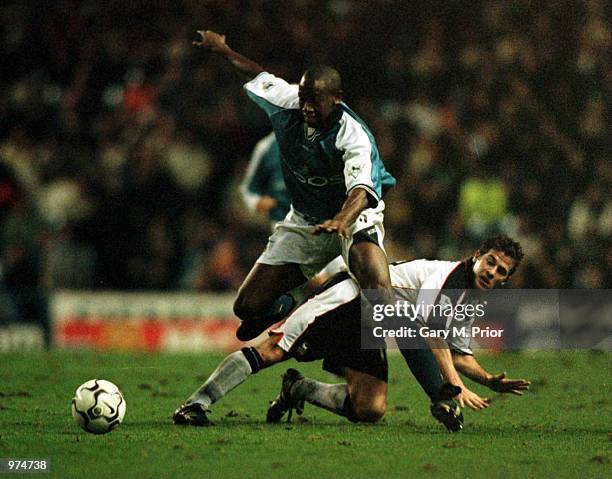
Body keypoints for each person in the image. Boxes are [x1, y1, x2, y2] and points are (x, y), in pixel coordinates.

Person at [173, 235, 530, 430]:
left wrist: (486, 380)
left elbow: (456, 352)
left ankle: (298, 388)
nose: (493, 272)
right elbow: (429, 333)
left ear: (505, 279)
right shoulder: (449, 279)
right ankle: (194, 405)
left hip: (374, 323)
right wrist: (451, 388)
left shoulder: (467, 298)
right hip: (352, 298)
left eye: (501, 271)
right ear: (477, 256)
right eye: (491, 262)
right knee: (274, 350)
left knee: (369, 408)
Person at [193, 31, 397, 342]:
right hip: (306, 220)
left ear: (337, 98)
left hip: (352, 219)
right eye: (303, 98)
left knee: (377, 287)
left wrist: (342, 221)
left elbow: (362, 192)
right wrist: (224, 50)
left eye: (315, 100)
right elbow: (258, 73)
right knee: (247, 307)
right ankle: (294, 305)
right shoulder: (288, 101)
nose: (307, 107)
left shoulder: (353, 135)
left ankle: (432, 377)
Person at [240, 132, 291, 228]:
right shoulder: (266, 146)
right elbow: (249, 189)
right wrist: (257, 202)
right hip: (283, 224)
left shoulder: (324, 140)